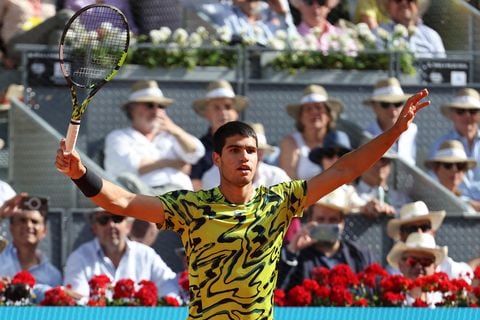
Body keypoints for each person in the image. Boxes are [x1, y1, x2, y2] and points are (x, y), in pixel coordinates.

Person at [54, 88, 429, 319]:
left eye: (251, 151)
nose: (244, 157)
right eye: (234, 150)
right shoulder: (192, 207)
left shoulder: (280, 200)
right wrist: (79, 172)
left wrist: (393, 133)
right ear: (217, 159)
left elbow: (345, 170)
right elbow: (120, 201)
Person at [104, 80, 205, 194]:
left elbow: (195, 152)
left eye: (161, 106)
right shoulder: (119, 137)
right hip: (143, 195)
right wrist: (172, 163)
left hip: (180, 193)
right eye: (149, 105)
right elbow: (131, 167)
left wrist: (175, 130)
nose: (156, 111)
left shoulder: (172, 136)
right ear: (132, 109)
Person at [63, 208, 180, 299]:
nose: (111, 225)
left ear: (128, 226)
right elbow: (77, 300)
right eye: (103, 220)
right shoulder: (79, 257)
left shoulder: (146, 255)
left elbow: (170, 288)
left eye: (117, 218)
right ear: (95, 228)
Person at [277, 187, 375, 291]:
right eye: (320, 219)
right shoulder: (296, 254)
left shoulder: (359, 255)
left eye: (333, 220)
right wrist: (292, 251)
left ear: (342, 223)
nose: (327, 225)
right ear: (310, 220)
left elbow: (373, 293)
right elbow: (278, 290)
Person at [386, 201, 473, 282]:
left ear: (433, 231)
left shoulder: (445, 262)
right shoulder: (393, 272)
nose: (419, 232)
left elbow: (468, 273)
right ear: (401, 235)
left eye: (425, 227)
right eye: (412, 229)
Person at [0, 196, 62, 303]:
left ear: (44, 231)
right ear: (11, 227)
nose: (28, 226)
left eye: (34, 221)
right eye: (22, 220)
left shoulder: (53, 274)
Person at [190, 79, 248, 191]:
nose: (223, 113)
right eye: (216, 107)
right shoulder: (198, 148)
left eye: (227, 107)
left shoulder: (250, 144)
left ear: (236, 113)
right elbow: (195, 185)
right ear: (207, 113)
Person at [279, 84, 345, 180]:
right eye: (308, 109)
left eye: (319, 107)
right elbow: (288, 184)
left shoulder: (339, 140)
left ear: (329, 115)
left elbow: (348, 177)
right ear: (300, 117)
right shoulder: (291, 143)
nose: (314, 112)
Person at [201, 122, 290, 189]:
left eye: (252, 151)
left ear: (262, 154)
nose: (245, 157)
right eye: (236, 151)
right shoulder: (212, 177)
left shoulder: (276, 175)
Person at [430, 88, 480, 198]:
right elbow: (434, 183)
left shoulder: (441, 144)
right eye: (461, 111)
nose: (467, 116)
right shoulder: (440, 144)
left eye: (473, 111)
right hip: (453, 207)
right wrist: (467, 204)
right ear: (452, 115)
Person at [0, 0, 73, 68]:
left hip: (44, 42)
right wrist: (2, 56)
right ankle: (83, 47)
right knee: (65, 15)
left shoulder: (50, 2)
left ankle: (53, 72)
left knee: (58, 34)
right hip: (17, 41)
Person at [362, 77, 417, 165]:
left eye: (397, 103)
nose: (392, 110)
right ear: (374, 107)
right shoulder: (367, 136)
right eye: (385, 104)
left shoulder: (412, 130)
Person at [386, 232, 446, 306]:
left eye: (425, 261)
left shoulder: (444, 302)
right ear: (401, 265)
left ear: (434, 267)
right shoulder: (389, 303)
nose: (419, 266)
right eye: (412, 261)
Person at [375, 0, 445, 58]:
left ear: (417, 5)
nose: (404, 3)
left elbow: (443, 68)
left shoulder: (432, 35)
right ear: (388, 6)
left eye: (410, 0)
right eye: (398, 0)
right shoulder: (378, 35)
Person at [425, 140, 480, 211]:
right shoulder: (425, 201)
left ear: (464, 171)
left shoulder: (470, 200)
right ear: (436, 169)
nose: (454, 170)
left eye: (460, 165)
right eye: (448, 165)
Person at [355, 148, 411, 217]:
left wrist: (393, 212)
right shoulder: (348, 193)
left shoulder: (401, 199)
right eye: (374, 159)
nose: (380, 163)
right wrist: (361, 209)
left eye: (385, 160)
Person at [292, 0, 357, 53]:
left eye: (321, 2)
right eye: (309, 2)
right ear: (298, 5)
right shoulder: (291, 37)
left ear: (329, 6)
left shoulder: (344, 36)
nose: (316, 7)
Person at [63, 0, 139, 35]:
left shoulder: (122, 1)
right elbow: (69, 25)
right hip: (85, 44)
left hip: (118, 44)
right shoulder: (74, 2)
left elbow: (132, 28)